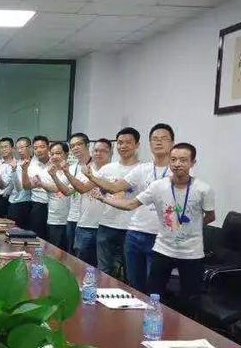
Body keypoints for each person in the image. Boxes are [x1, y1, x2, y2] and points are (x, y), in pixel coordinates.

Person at [95, 143, 215, 305]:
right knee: (154, 294)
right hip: (163, 249)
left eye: (183, 160)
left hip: (192, 253)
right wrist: (104, 199)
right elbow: (130, 204)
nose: (177, 164)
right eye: (173, 159)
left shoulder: (203, 189)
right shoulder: (158, 186)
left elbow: (210, 216)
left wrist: (189, 227)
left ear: (193, 162)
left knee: (190, 299)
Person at [86, 123, 174, 292]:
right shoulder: (142, 169)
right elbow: (115, 188)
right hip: (135, 232)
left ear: (172, 143)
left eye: (164, 139)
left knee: (155, 286)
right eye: (155, 139)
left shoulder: (177, 171)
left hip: (160, 236)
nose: (159, 142)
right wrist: (92, 177)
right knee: (134, 284)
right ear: (149, 143)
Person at [75, 128, 141, 278]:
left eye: (128, 142)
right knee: (103, 270)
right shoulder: (107, 168)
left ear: (137, 145)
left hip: (131, 227)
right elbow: (83, 188)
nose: (123, 146)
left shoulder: (142, 169)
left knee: (130, 273)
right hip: (106, 225)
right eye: (120, 142)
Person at [61, 138, 112, 266]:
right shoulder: (86, 170)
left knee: (102, 267)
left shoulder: (113, 170)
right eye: (96, 151)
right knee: (80, 264)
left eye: (103, 151)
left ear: (111, 152)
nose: (98, 153)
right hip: (85, 225)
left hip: (106, 226)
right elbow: (69, 191)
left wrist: (68, 174)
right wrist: (58, 175)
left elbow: (83, 188)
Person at [36, 142, 72, 250]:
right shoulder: (47, 172)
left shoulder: (73, 170)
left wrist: (42, 184)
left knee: (71, 254)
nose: (54, 156)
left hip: (72, 220)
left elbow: (57, 188)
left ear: (66, 154)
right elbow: (51, 188)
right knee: (55, 252)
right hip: (54, 219)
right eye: (52, 154)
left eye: (58, 153)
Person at [63, 133, 92, 255]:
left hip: (89, 221)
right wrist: (54, 176)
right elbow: (67, 191)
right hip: (72, 217)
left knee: (85, 258)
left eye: (79, 144)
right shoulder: (72, 167)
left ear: (88, 145)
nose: (75, 148)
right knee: (71, 255)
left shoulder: (95, 165)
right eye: (72, 146)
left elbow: (82, 189)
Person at [23, 135, 51, 239]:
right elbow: (26, 186)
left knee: (54, 238)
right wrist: (24, 170)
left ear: (48, 147)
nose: (38, 150)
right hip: (38, 205)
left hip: (55, 205)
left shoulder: (55, 163)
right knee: (38, 238)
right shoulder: (32, 166)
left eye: (42, 147)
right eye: (35, 148)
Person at [6, 137, 32, 230]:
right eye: (18, 148)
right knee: (13, 232)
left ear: (30, 147)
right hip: (16, 203)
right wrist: (13, 170)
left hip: (30, 204)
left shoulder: (35, 163)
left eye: (22, 147)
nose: (19, 151)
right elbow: (18, 188)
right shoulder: (15, 164)